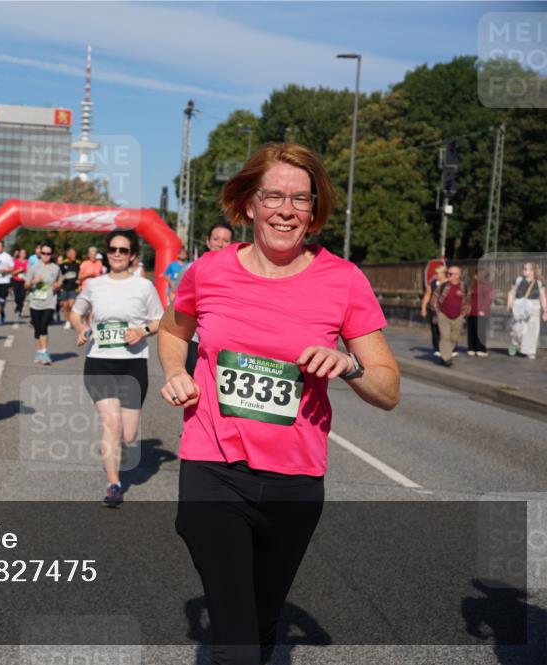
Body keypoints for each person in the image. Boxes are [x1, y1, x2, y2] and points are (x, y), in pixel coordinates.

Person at [158, 143, 400, 665]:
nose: (286, 210)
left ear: (314, 211)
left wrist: (351, 366)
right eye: (273, 197)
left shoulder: (343, 281)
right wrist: (176, 371)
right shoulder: (209, 271)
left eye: (300, 200)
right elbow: (172, 330)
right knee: (238, 645)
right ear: (249, 204)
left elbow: (388, 389)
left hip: (294, 480)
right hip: (213, 469)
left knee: (263, 626)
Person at [69, 230, 163, 506]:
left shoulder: (143, 287)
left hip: (133, 364)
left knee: (129, 433)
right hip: (99, 361)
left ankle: (113, 448)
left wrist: (142, 330)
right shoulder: (94, 285)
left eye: (123, 250)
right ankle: (114, 484)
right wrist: (82, 328)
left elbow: (160, 320)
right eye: (113, 249)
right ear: (106, 252)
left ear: (133, 255)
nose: (118, 254)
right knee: (111, 422)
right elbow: (75, 312)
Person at [185, 222, 236, 375]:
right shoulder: (192, 270)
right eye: (216, 239)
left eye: (226, 241)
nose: (220, 244)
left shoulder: (239, 273)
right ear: (207, 242)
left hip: (229, 345)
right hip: (197, 341)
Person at [26, 241, 62, 364]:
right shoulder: (33, 268)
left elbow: (59, 282)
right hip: (35, 302)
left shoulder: (56, 268)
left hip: (49, 302)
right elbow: (26, 285)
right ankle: (39, 352)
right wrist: (32, 282)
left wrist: (58, 286)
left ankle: (44, 352)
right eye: (43, 253)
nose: (46, 255)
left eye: (48, 253)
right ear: (39, 253)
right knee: (37, 328)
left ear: (51, 254)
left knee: (43, 326)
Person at [507, 262, 546, 360]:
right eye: (523, 268)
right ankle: (514, 344)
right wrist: (509, 305)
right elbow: (511, 293)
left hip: (534, 308)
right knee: (517, 329)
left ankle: (530, 351)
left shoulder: (539, 283)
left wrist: (545, 311)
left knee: (533, 331)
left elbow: (543, 297)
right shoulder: (518, 280)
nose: (523, 270)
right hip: (520, 307)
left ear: (532, 271)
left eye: (526, 269)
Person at [435, 265, 469, 367]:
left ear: (457, 275)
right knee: (445, 337)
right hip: (443, 315)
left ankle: (444, 355)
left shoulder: (464, 287)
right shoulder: (442, 286)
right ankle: (447, 358)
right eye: (447, 273)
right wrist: (437, 313)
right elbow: (434, 300)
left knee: (453, 338)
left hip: (458, 316)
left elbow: (468, 301)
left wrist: (463, 314)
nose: (447, 275)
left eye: (449, 274)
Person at [420, 264, 447, 358]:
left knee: (445, 330)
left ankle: (447, 348)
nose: (436, 275)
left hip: (445, 311)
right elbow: (427, 295)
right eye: (435, 273)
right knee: (435, 329)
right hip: (434, 310)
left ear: (444, 273)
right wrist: (423, 308)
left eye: (438, 273)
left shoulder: (448, 283)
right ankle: (437, 348)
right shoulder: (432, 283)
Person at [466, 267, 492, 357]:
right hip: (471, 311)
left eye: (477, 274)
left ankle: (481, 348)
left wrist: (483, 310)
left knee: (480, 331)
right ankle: (472, 348)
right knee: (471, 330)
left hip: (480, 312)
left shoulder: (486, 286)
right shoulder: (473, 285)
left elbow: (488, 299)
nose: (475, 276)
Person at [58, 246, 80, 329]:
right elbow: (59, 276)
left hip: (74, 288)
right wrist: (63, 277)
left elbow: (80, 274)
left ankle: (71, 321)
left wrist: (79, 280)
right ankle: (68, 320)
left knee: (72, 305)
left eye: (75, 254)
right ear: (68, 255)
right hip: (64, 288)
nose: (74, 255)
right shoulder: (63, 264)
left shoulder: (78, 264)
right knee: (65, 306)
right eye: (72, 254)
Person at [11, 247, 29, 317]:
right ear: (19, 254)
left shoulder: (28, 262)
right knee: (16, 297)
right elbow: (12, 273)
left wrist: (26, 272)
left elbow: (30, 272)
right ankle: (18, 306)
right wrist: (18, 271)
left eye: (24, 253)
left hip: (24, 281)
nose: (23, 254)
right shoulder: (15, 261)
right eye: (21, 253)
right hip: (16, 281)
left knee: (22, 296)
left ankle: (20, 309)